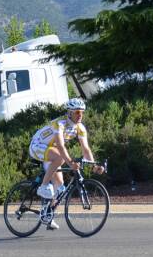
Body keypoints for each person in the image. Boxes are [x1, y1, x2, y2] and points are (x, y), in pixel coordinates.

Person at [28, 97, 104, 229]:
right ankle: (43, 186)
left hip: (51, 151)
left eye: (82, 112)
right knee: (60, 158)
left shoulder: (80, 128)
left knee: (59, 187)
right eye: (77, 112)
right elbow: (61, 147)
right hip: (37, 146)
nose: (80, 115)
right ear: (69, 113)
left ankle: (47, 214)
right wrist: (70, 164)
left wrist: (93, 166)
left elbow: (86, 149)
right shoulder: (60, 124)